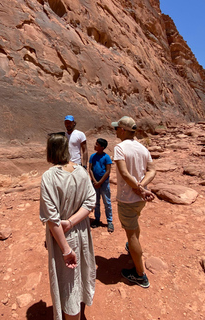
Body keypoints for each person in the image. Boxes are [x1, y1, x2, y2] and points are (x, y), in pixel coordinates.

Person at [39, 134, 97, 320]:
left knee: (68, 284)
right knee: (79, 276)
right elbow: (90, 202)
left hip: (63, 238)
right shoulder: (80, 171)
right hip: (82, 232)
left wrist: (65, 249)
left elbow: (52, 218)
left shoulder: (49, 177)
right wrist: (73, 221)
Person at [112, 116, 156, 288]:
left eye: (117, 128)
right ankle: (132, 248)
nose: (115, 131)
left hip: (127, 198)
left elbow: (123, 173)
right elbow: (152, 170)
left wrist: (138, 188)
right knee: (134, 223)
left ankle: (140, 275)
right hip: (139, 199)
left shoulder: (119, 148)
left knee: (130, 233)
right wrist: (142, 187)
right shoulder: (143, 148)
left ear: (122, 130)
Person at [88, 138, 114, 233]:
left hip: (104, 183)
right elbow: (90, 169)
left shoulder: (106, 157)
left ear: (102, 147)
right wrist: (95, 181)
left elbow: (108, 171)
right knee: (96, 202)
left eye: (97, 144)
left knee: (107, 202)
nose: (95, 145)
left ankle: (109, 221)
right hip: (95, 183)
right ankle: (97, 219)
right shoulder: (92, 156)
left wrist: (100, 182)